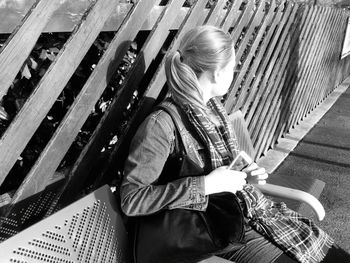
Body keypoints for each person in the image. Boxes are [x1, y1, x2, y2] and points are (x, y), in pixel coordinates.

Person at [120, 25, 349, 263]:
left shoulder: (212, 110)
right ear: (217, 74)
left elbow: (220, 173)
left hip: (238, 214)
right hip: (208, 233)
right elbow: (131, 200)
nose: (236, 70)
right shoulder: (161, 125)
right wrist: (206, 185)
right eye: (232, 66)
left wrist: (243, 178)